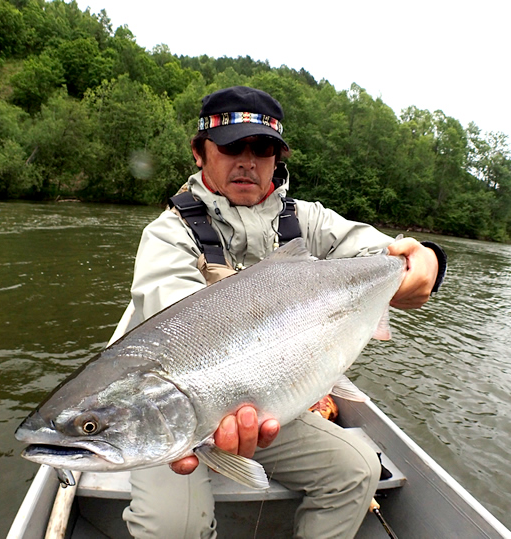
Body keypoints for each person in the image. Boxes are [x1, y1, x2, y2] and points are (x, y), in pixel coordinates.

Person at [108, 86, 447, 538]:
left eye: (262, 148)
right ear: (199, 152)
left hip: (265, 403)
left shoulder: (308, 221)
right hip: (170, 412)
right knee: (175, 527)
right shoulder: (167, 234)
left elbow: (387, 253)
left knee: (358, 471)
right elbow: (176, 327)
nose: (247, 161)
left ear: (276, 158)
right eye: (232, 146)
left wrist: (428, 261)